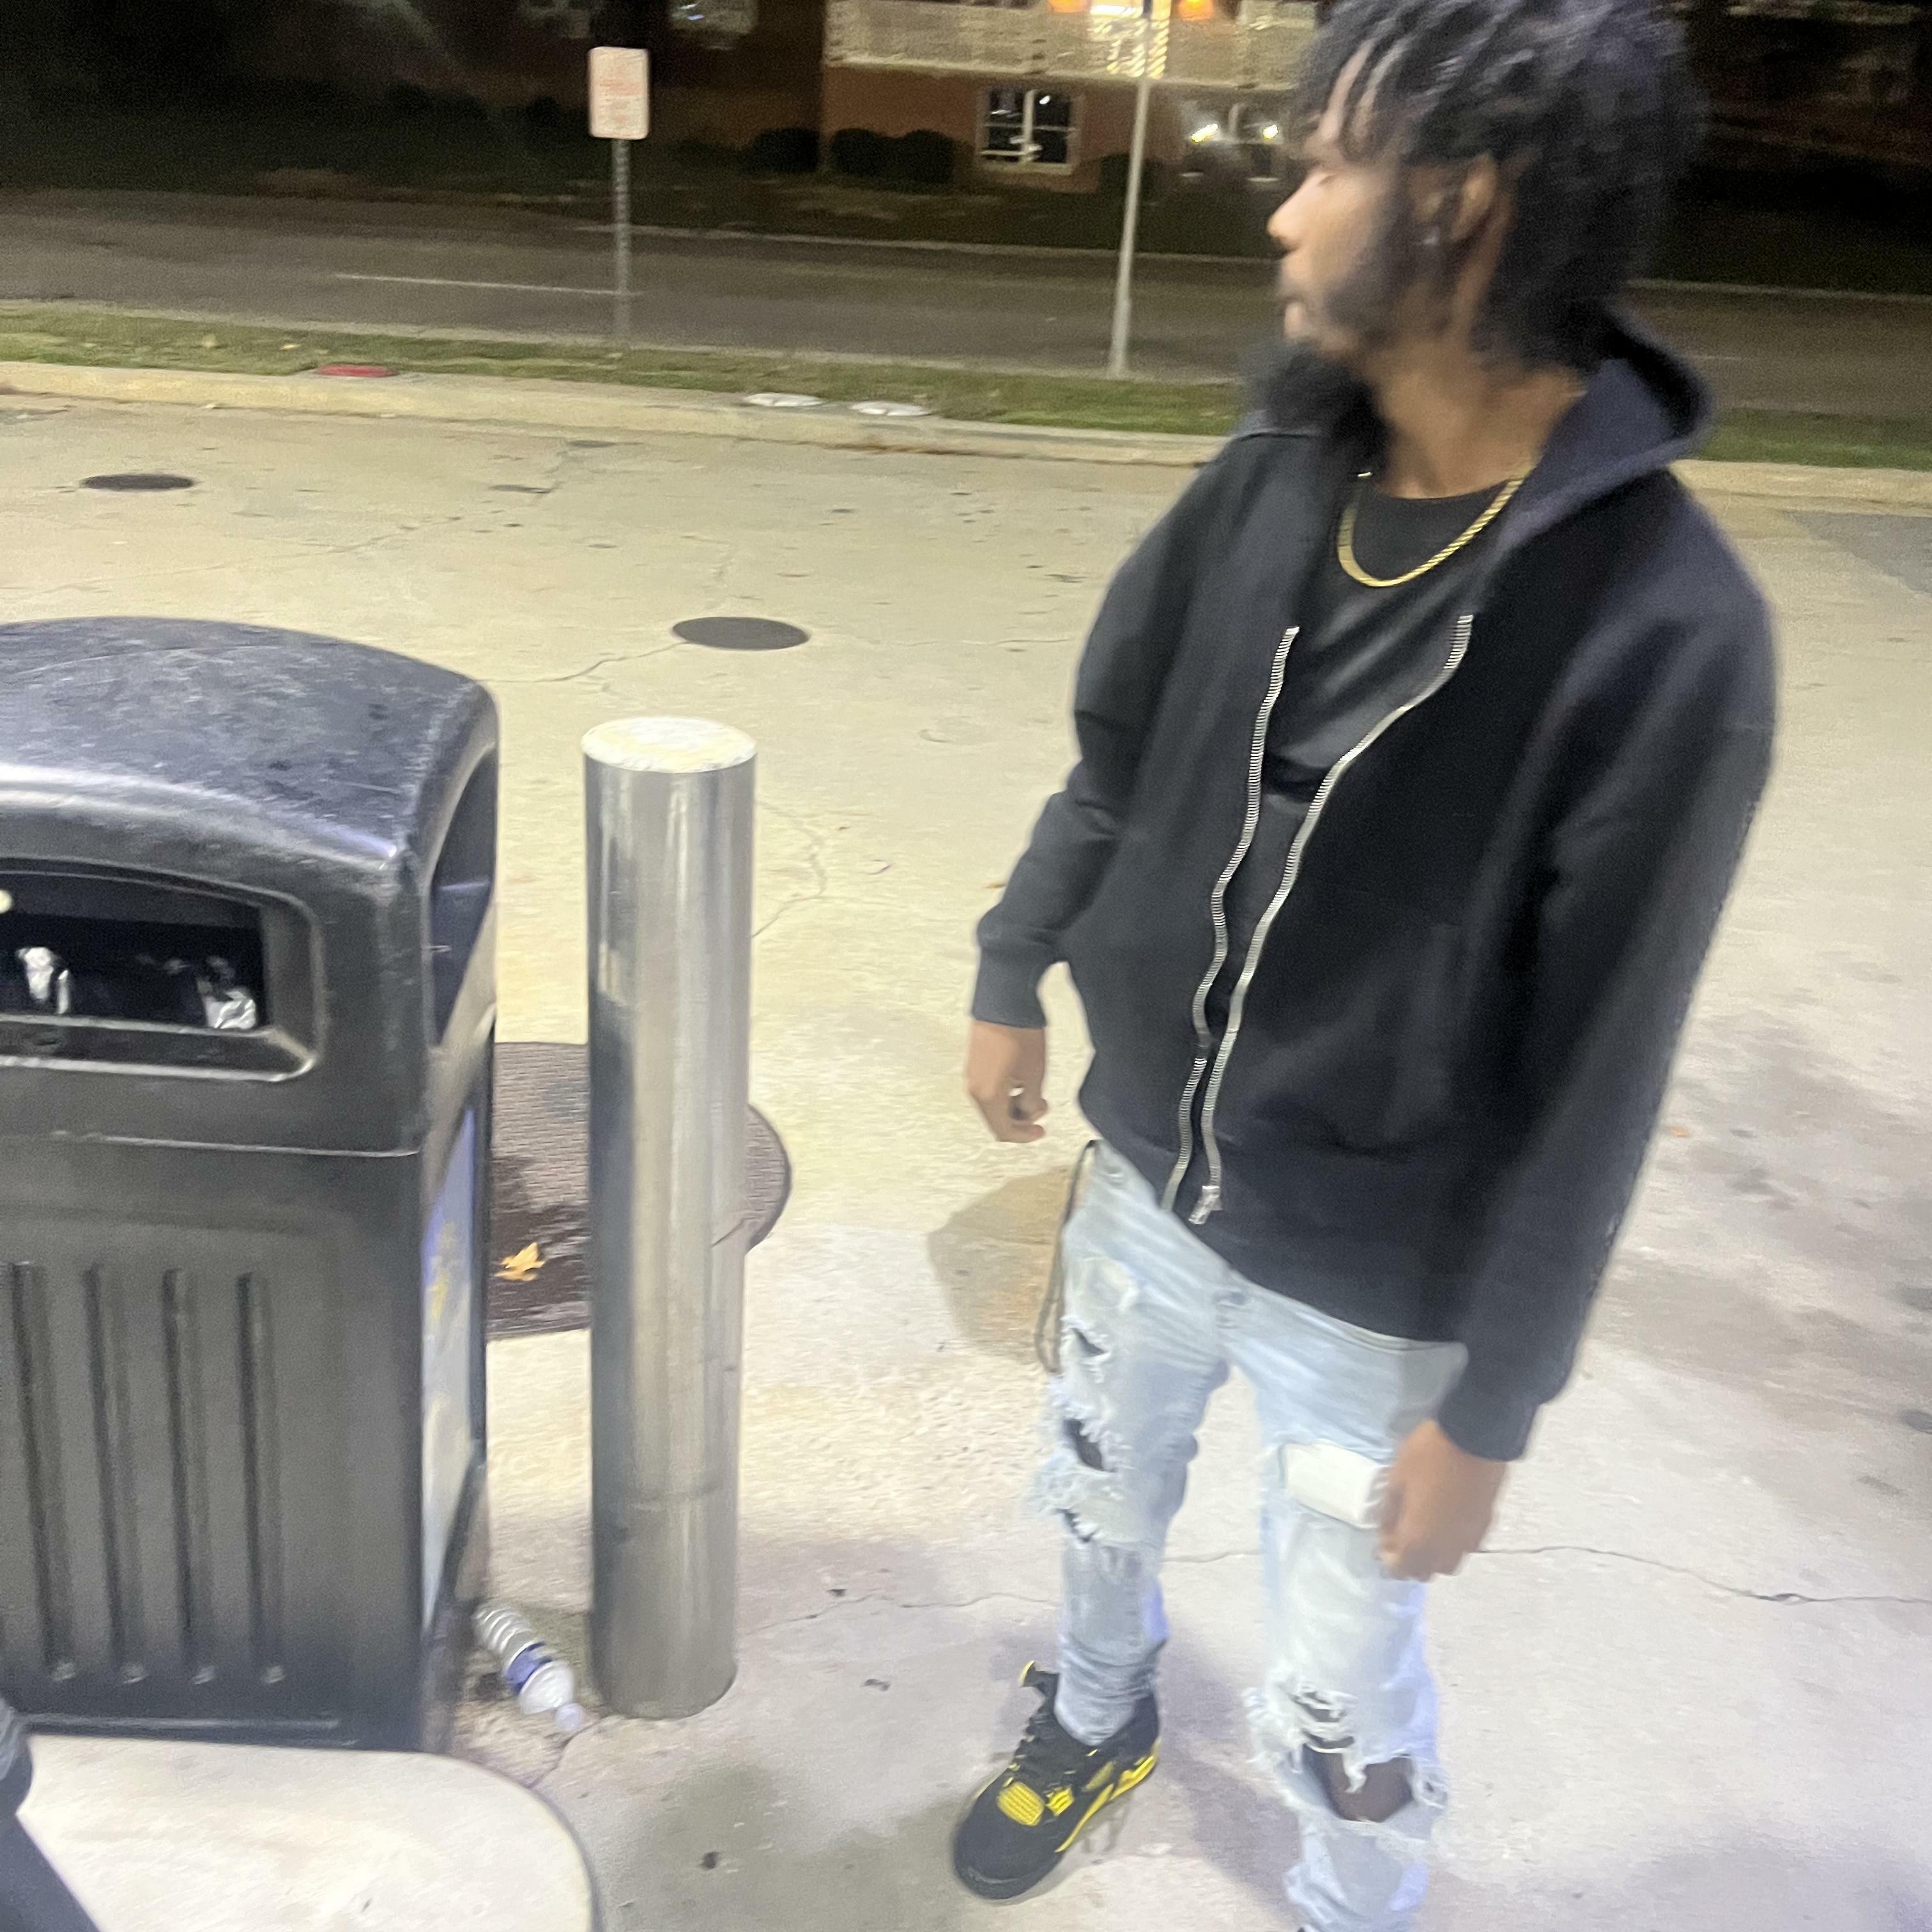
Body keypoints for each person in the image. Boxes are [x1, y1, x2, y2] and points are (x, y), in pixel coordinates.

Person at [951, 3, 1776, 1926]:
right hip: (1147, 1177)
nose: (1285, 214)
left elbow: (1601, 1075)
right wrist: (1015, 959)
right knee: (1095, 1498)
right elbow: (1117, 753)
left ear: (1462, 204)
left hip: (1374, 1277)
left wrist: (1494, 1408)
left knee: (1341, 1685)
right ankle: (1097, 1718)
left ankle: (1352, 1899)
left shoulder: (1665, 631)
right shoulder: (1267, 473)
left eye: (1327, 163)